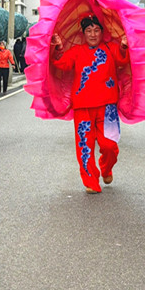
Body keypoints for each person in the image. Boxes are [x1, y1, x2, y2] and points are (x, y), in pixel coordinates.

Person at [51, 14, 129, 193]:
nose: (93, 34)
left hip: (108, 107)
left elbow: (122, 59)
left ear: (102, 32)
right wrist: (58, 47)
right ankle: (91, 182)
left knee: (109, 146)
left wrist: (124, 46)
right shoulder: (77, 51)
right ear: (83, 34)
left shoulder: (111, 48)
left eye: (96, 30)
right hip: (83, 106)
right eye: (88, 31)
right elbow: (61, 63)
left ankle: (106, 168)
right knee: (85, 147)